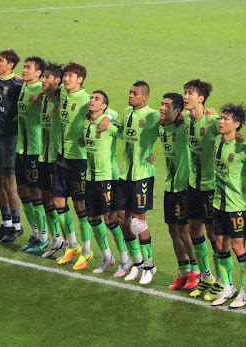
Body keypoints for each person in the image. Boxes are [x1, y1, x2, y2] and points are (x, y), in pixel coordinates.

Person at [114, 80, 160, 284]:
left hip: (142, 174)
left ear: (145, 97)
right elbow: (121, 131)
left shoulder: (153, 115)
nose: (130, 95)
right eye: (130, 92)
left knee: (137, 221)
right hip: (125, 174)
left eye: (135, 93)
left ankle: (150, 266)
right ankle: (137, 262)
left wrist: (153, 155)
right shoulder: (127, 112)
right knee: (122, 220)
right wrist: (107, 116)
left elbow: (171, 127)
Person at [209, 103, 246, 307]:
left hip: (238, 205)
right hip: (219, 203)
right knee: (220, 246)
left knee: (238, 247)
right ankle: (228, 286)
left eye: (226, 119)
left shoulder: (243, 148)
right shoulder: (218, 140)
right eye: (221, 118)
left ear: (237, 124)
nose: (221, 121)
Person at [182, 79, 221, 300]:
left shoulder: (214, 121)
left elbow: (234, 131)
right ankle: (207, 278)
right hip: (193, 184)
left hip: (211, 186)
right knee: (194, 230)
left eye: (190, 93)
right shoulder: (186, 119)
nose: (186, 96)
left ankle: (223, 281)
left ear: (201, 99)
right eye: (185, 92)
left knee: (213, 233)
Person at [84, 90, 131, 274]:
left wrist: (110, 115)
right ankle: (107, 257)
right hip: (90, 177)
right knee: (93, 219)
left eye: (97, 99)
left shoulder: (109, 124)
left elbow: (129, 136)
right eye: (91, 98)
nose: (92, 101)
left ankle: (125, 260)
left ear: (104, 106)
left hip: (108, 178)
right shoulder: (86, 121)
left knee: (111, 219)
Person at [158, 92, 200, 290]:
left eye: (166, 105)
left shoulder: (184, 126)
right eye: (161, 104)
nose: (161, 108)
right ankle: (183, 272)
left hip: (184, 186)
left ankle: (196, 270)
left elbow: (201, 118)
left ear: (177, 111)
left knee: (184, 231)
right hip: (170, 185)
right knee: (172, 229)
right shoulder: (160, 126)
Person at [53, 61, 92, 268]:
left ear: (80, 80)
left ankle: (86, 251)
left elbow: (109, 112)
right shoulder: (62, 94)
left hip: (79, 160)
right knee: (59, 201)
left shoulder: (86, 99)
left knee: (80, 206)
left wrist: (106, 118)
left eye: (71, 75)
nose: (66, 78)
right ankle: (72, 244)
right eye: (65, 75)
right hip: (62, 156)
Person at [0, 49, 24, 243]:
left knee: (9, 184)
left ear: (10, 65)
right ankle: (6, 223)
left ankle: (17, 226)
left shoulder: (17, 86)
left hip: (10, 138)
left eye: (0, 60)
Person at [15, 56, 50, 252]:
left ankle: (44, 236)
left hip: (35, 152)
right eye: (24, 67)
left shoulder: (40, 90)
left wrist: (43, 91)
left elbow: (57, 90)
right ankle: (35, 232)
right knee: (22, 191)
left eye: (28, 67)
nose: (24, 70)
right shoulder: (24, 87)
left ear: (39, 73)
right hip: (21, 149)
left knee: (35, 193)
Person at [36, 62, 65, 258]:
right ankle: (56, 240)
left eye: (47, 77)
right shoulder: (45, 98)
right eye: (43, 76)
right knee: (45, 198)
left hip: (58, 159)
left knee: (60, 202)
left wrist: (108, 117)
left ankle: (70, 243)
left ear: (58, 81)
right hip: (43, 157)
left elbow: (97, 104)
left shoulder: (64, 97)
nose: (43, 80)